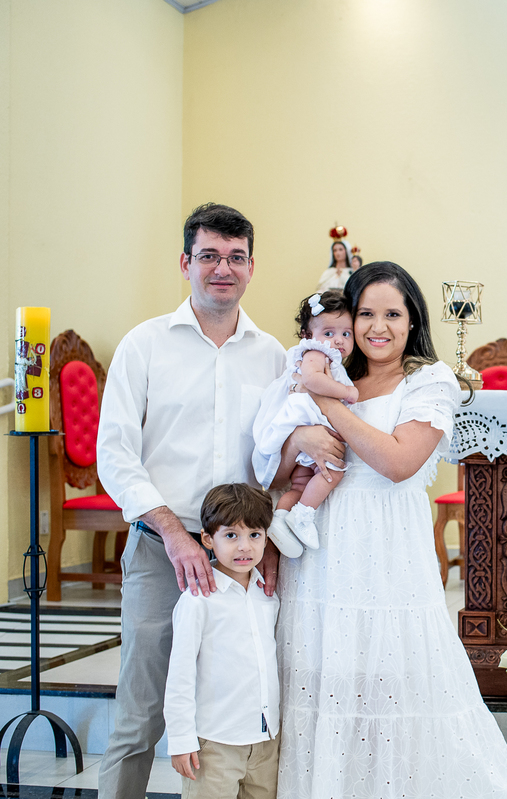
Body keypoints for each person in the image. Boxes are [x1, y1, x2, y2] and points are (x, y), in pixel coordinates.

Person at [272, 262, 507, 798]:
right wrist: (298, 441)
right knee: (325, 671)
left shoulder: (430, 380)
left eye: (392, 313)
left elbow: (397, 462)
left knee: (394, 675)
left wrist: (323, 407)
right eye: (365, 313)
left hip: (388, 552)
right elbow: (273, 466)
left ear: (413, 321)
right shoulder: (334, 372)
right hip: (322, 547)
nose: (377, 326)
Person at [95, 203, 320, 799]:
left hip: (242, 557)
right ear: (185, 262)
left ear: (251, 267)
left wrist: (266, 539)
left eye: (236, 257)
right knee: (140, 714)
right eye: (210, 256)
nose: (223, 268)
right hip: (161, 550)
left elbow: (277, 459)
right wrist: (172, 531)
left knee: (245, 703)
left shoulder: (274, 356)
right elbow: (114, 454)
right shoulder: (144, 346)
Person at [164, 483, 279, 799]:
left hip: (266, 739)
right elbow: (181, 674)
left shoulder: (268, 595)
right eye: (231, 535)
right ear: (207, 539)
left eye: (254, 535)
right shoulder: (197, 600)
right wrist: (181, 739)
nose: (244, 547)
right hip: (215, 743)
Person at [253, 290, 358, 555]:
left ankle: (280, 518)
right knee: (334, 468)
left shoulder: (326, 355)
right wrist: (346, 392)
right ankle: (303, 515)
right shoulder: (316, 353)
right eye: (329, 333)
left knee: (300, 484)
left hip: (306, 427)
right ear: (308, 336)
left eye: (346, 334)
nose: (338, 341)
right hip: (307, 418)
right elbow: (311, 381)